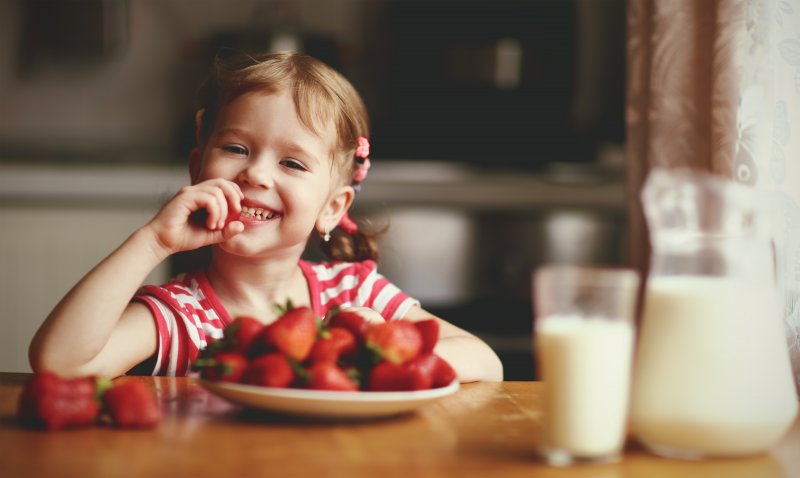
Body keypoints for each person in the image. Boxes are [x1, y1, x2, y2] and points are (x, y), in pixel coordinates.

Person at [29, 51, 503, 382]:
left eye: (292, 163)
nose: (255, 173)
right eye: (236, 148)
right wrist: (153, 242)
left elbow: (485, 361)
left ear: (332, 208)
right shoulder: (184, 316)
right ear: (197, 171)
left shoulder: (354, 294)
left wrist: (372, 348)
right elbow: (59, 363)